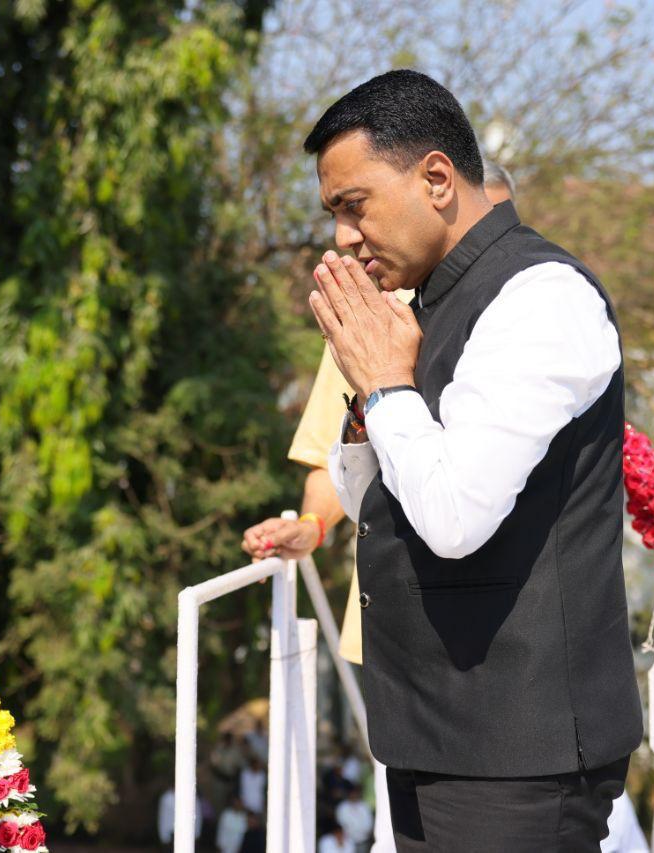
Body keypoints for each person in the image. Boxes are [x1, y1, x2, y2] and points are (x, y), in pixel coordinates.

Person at [305, 70, 640, 850]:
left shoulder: (541, 296)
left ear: (435, 179)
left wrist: (388, 384)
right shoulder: (424, 306)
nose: (342, 239)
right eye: (333, 215)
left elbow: (454, 517)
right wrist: (368, 403)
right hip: (435, 736)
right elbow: (375, 507)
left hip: (521, 755)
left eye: (353, 207)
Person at [240, 158, 516, 853]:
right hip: (400, 628)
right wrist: (308, 527)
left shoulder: (527, 314)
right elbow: (338, 464)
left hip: (512, 633)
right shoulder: (368, 321)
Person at [335, 784, 375, 851]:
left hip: (363, 839)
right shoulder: (342, 807)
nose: (354, 795)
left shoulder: (364, 806)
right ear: (348, 794)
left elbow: (369, 822)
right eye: (352, 793)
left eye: (355, 793)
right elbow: (340, 824)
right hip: (348, 841)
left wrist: (364, 832)